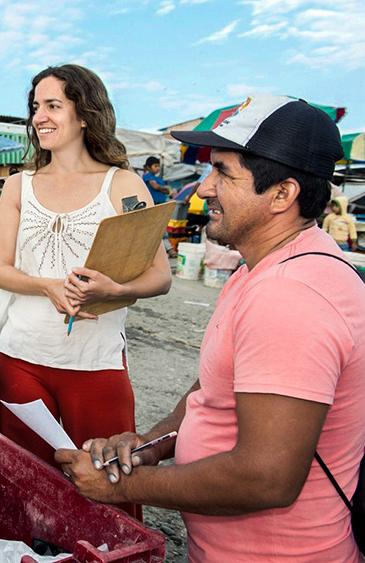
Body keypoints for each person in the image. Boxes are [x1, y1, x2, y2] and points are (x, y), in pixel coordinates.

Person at [57, 94, 365, 562]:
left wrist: (122, 486)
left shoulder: (292, 295)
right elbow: (216, 390)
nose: (203, 189)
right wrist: (150, 446)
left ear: (283, 194)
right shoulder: (262, 269)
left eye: (223, 172)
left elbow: (267, 476)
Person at [0, 65, 171, 520]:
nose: (40, 117)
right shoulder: (19, 185)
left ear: (85, 113)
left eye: (54, 105)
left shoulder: (123, 185)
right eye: (36, 107)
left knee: (109, 495)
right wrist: (47, 286)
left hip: (95, 364)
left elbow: (161, 275)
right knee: (21, 493)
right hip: (21, 359)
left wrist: (117, 288)